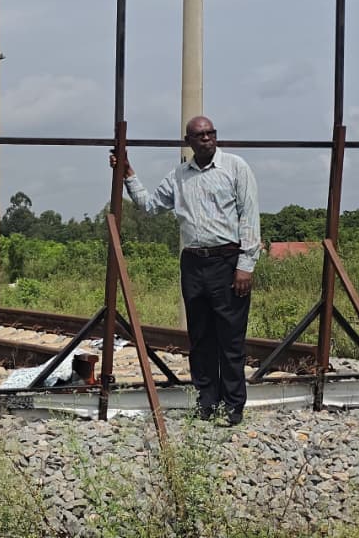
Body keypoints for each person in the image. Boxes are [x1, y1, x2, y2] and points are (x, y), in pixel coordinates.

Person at [109, 115, 260, 426]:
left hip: (227, 260)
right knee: (201, 338)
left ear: (215, 136)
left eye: (210, 133)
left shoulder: (235, 168)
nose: (206, 138)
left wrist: (245, 265)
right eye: (199, 135)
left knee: (230, 339)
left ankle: (233, 405)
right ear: (188, 141)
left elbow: (249, 215)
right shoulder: (179, 176)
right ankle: (207, 402)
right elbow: (150, 206)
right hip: (193, 263)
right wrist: (128, 174)